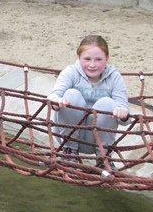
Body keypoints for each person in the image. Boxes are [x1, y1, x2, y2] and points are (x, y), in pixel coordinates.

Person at [47, 35, 129, 165]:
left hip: (96, 139)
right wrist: (57, 102)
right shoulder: (71, 72)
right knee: (71, 94)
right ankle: (69, 152)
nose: (92, 65)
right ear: (79, 58)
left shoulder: (115, 77)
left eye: (98, 59)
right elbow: (52, 96)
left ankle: (104, 156)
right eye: (87, 59)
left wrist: (123, 114)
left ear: (107, 59)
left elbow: (124, 115)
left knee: (107, 103)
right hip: (68, 135)